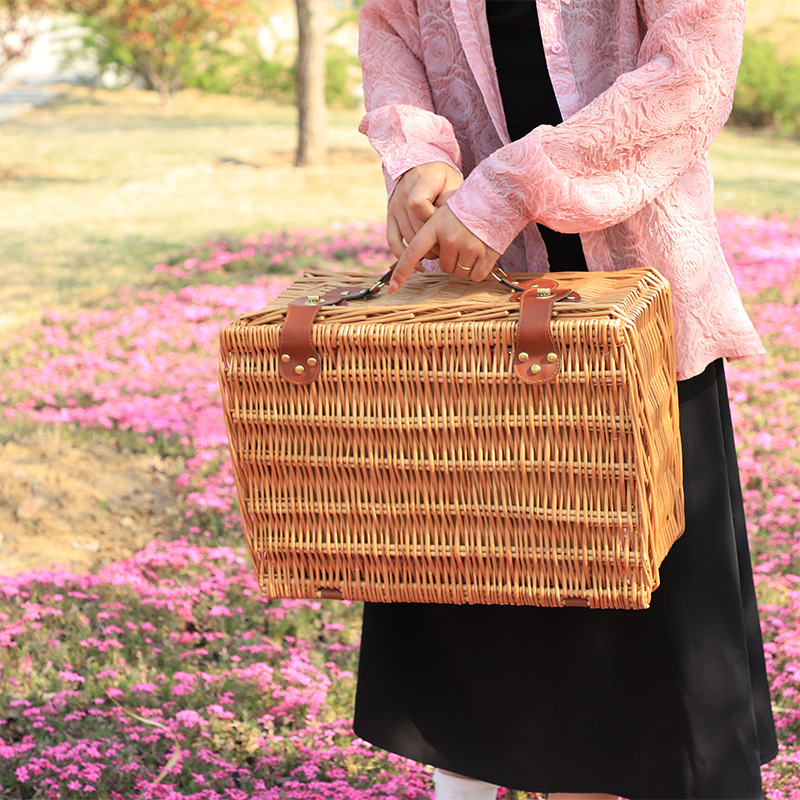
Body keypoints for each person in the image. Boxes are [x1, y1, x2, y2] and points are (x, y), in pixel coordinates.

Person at [352, 1, 778, 798]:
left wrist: (504, 190)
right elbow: (390, 28)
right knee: (470, 591)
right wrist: (415, 158)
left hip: (636, 302)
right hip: (477, 311)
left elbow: (692, 72)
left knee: (638, 640)